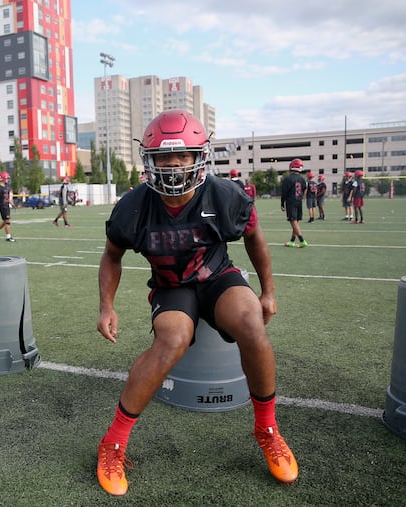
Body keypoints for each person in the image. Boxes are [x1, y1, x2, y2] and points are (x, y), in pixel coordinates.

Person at [95, 110, 298, 496]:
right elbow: (112, 254)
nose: (172, 166)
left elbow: (253, 237)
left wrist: (268, 291)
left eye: (182, 156)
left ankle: (267, 428)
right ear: (148, 162)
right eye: (163, 159)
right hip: (171, 285)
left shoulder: (224, 194)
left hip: (217, 277)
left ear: (199, 157)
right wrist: (107, 305)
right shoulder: (133, 206)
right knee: (171, 340)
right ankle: (114, 442)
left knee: (251, 321)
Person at [280, 159, 308, 248]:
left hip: (291, 201)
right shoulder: (302, 179)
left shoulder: (288, 179)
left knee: (293, 221)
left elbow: (284, 192)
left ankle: (302, 240)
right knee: (296, 222)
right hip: (299, 201)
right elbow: (304, 189)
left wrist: (282, 203)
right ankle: (292, 241)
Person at [0, 171, 15, 242]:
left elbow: (7, 198)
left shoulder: (7, 187)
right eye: (7, 178)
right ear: (3, 178)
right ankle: (8, 237)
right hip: (2, 206)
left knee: (5, 221)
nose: (7, 180)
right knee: (7, 221)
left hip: (6, 205)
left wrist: (12, 204)